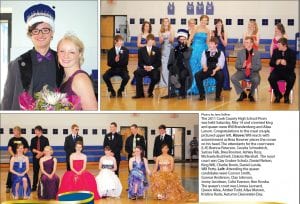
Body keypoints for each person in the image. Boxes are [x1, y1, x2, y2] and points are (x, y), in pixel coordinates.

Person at [1, 3, 64, 110]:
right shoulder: (16, 64)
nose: (40, 35)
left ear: (52, 33)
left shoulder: (63, 61)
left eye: (45, 30)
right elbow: (7, 99)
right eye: (35, 30)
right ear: (30, 35)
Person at [58, 34, 97, 110]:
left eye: (71, 52)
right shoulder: (64, 77)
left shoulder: (80, 79)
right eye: (62, 51)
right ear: (57, 53)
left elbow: (92, 112)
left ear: (79, 54)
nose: (66, 56)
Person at [161, 29, 192, 99]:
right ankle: (171, 93)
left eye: (184, 39)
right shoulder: (174, 49)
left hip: (185, 68)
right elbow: (170, 59)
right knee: (172, 70)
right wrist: (169, 66)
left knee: (182, 74)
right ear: (178, 40)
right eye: (181, 39)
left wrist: (182, 49)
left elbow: (186, 57)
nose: (182, 41)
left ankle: (182, 94)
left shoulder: (189, 49)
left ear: (186, 40)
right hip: (175, 67)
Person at [188, 15, 215, 95]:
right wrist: (188, 50)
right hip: (195, 49)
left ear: (207, 21)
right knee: (193, 67)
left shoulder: (208, 30)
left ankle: (201, 86)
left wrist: (210, 51)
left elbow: (207, 42)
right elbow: (189, 40)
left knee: (202, 67)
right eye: (203, 20)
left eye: (206, 20)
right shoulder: (195, 28)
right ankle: (192, 86)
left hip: (203, 50)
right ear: (200, 20)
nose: (204, 22)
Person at [231, 36, 261, 102]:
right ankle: (242, 93)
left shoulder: (257, 53)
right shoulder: (240, 53)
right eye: (245, 42)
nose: (245, 44)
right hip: (242, 71)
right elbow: (236, 66)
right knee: (233, 78)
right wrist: (242, 65)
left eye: (247, 42)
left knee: (256, 79)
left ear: (251, 43)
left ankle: (251, 94)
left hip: (253, 72)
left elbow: (259, 66)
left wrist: (252, 66)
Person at [195, 37, 225, 101]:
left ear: (216, 45)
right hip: (207, 69)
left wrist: (215, 70)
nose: (210, 45)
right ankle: (202, 95)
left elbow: (221, 64)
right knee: (197, 75)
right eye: (209, 43)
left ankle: (217, 96)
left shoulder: (220, 53)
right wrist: (204, 67)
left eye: (212, 44)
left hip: (216, 70)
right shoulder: (205, 52)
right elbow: (203, 61)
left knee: (221, 76)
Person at [132, 34, 162, 98]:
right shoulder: (141, 50)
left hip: (153, 69)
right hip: (144, 69)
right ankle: (139, 94)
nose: (151, 42)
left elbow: (159, 62)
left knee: (156, 77)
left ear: (154, 41)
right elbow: (140, 63)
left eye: (152, 41)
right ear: (146, 41)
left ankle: (150, 91)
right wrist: (145, 67)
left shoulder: (157, 50)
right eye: (149, 41)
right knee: (137, 73)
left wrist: (151, 67)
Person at [268, 37, 296, 103]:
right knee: (271, 78)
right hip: (277, 71)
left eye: (279, 45)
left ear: (285, 45)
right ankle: (278, 95)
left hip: (288, 72)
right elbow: (271, 63)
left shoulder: (291, 52)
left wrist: (286, 64)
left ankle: (286, 95)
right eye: (278, 44)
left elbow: (293, 66)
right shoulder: (275, 51)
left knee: (292, 78)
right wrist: (276, 62)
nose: (278, 46)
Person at [6, 126, 29, 193]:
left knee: (22, 171)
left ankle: (22, 186)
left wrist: (22, 154)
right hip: (14, 158)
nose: (13, 132)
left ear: (19, 131)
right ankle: (8, 186)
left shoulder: (24, 140)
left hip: (22, 158)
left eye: (15, 131)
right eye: (13, 131)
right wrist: (14, 155)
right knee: (11, 171)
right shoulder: (11, 140)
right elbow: (9, 149)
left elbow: (26, 148)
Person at [131, 21, 154, 85]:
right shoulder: (140, 35)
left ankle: (147, 81)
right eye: (146, 26)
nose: (147, 27)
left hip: (149, 52)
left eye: (148, 26)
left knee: (149, 65)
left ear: (150, 28)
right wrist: (146, 45)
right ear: (143, 27)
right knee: (141, 65)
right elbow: (138, 45)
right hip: (142, 52)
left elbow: (153, 44)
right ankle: (138, 80)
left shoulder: (151, 35)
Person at [212, 18, 231, 90]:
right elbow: (212, 43)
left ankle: (225, 85)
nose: (218, 24)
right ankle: (216, 84)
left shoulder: (224, 32)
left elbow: (225, 44)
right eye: (217, 23)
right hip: (215, 51)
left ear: (222, 24)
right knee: (215, 67)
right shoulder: (213, 32)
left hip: (222, 51)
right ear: (215, 24)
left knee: (223, 68)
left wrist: (220, 37)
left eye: (220, 23)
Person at [269, 23, 288, 93]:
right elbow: (271, 46)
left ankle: (281, 88)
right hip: (274, 56)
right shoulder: (275, 36)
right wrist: (272, 56)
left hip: (281, 55)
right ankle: (273, 88)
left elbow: (285, 47)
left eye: (276, 29)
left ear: (280, 29)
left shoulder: (284, 36)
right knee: (273, 73)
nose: (275, 30)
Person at [30, 125, 49, 192]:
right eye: (35, 130)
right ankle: (34, 187)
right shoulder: (33, 139)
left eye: (36, 130)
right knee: (35, 172)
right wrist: (38, 153)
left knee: (44, 172)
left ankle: (44, 186)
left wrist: (40, 154)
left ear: (40, 131)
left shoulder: (45, 139)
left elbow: (47, 149)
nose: (35, 132)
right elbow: (32, 148)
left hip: (43, 158)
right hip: (35, 158)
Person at [158, 18, 174, 88]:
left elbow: (172, 40)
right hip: (163, 49)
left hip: (169, 49)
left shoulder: (172, 30)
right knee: (163, 66)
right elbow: (160, 42)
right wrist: (162, 37)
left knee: (168, 65)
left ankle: (169, 82)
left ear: (169, 22)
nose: (166, 22)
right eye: (164, 21)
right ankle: (163, 82)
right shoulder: (160, 31)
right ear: (163, 23)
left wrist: (169, 34)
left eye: (167, 21)